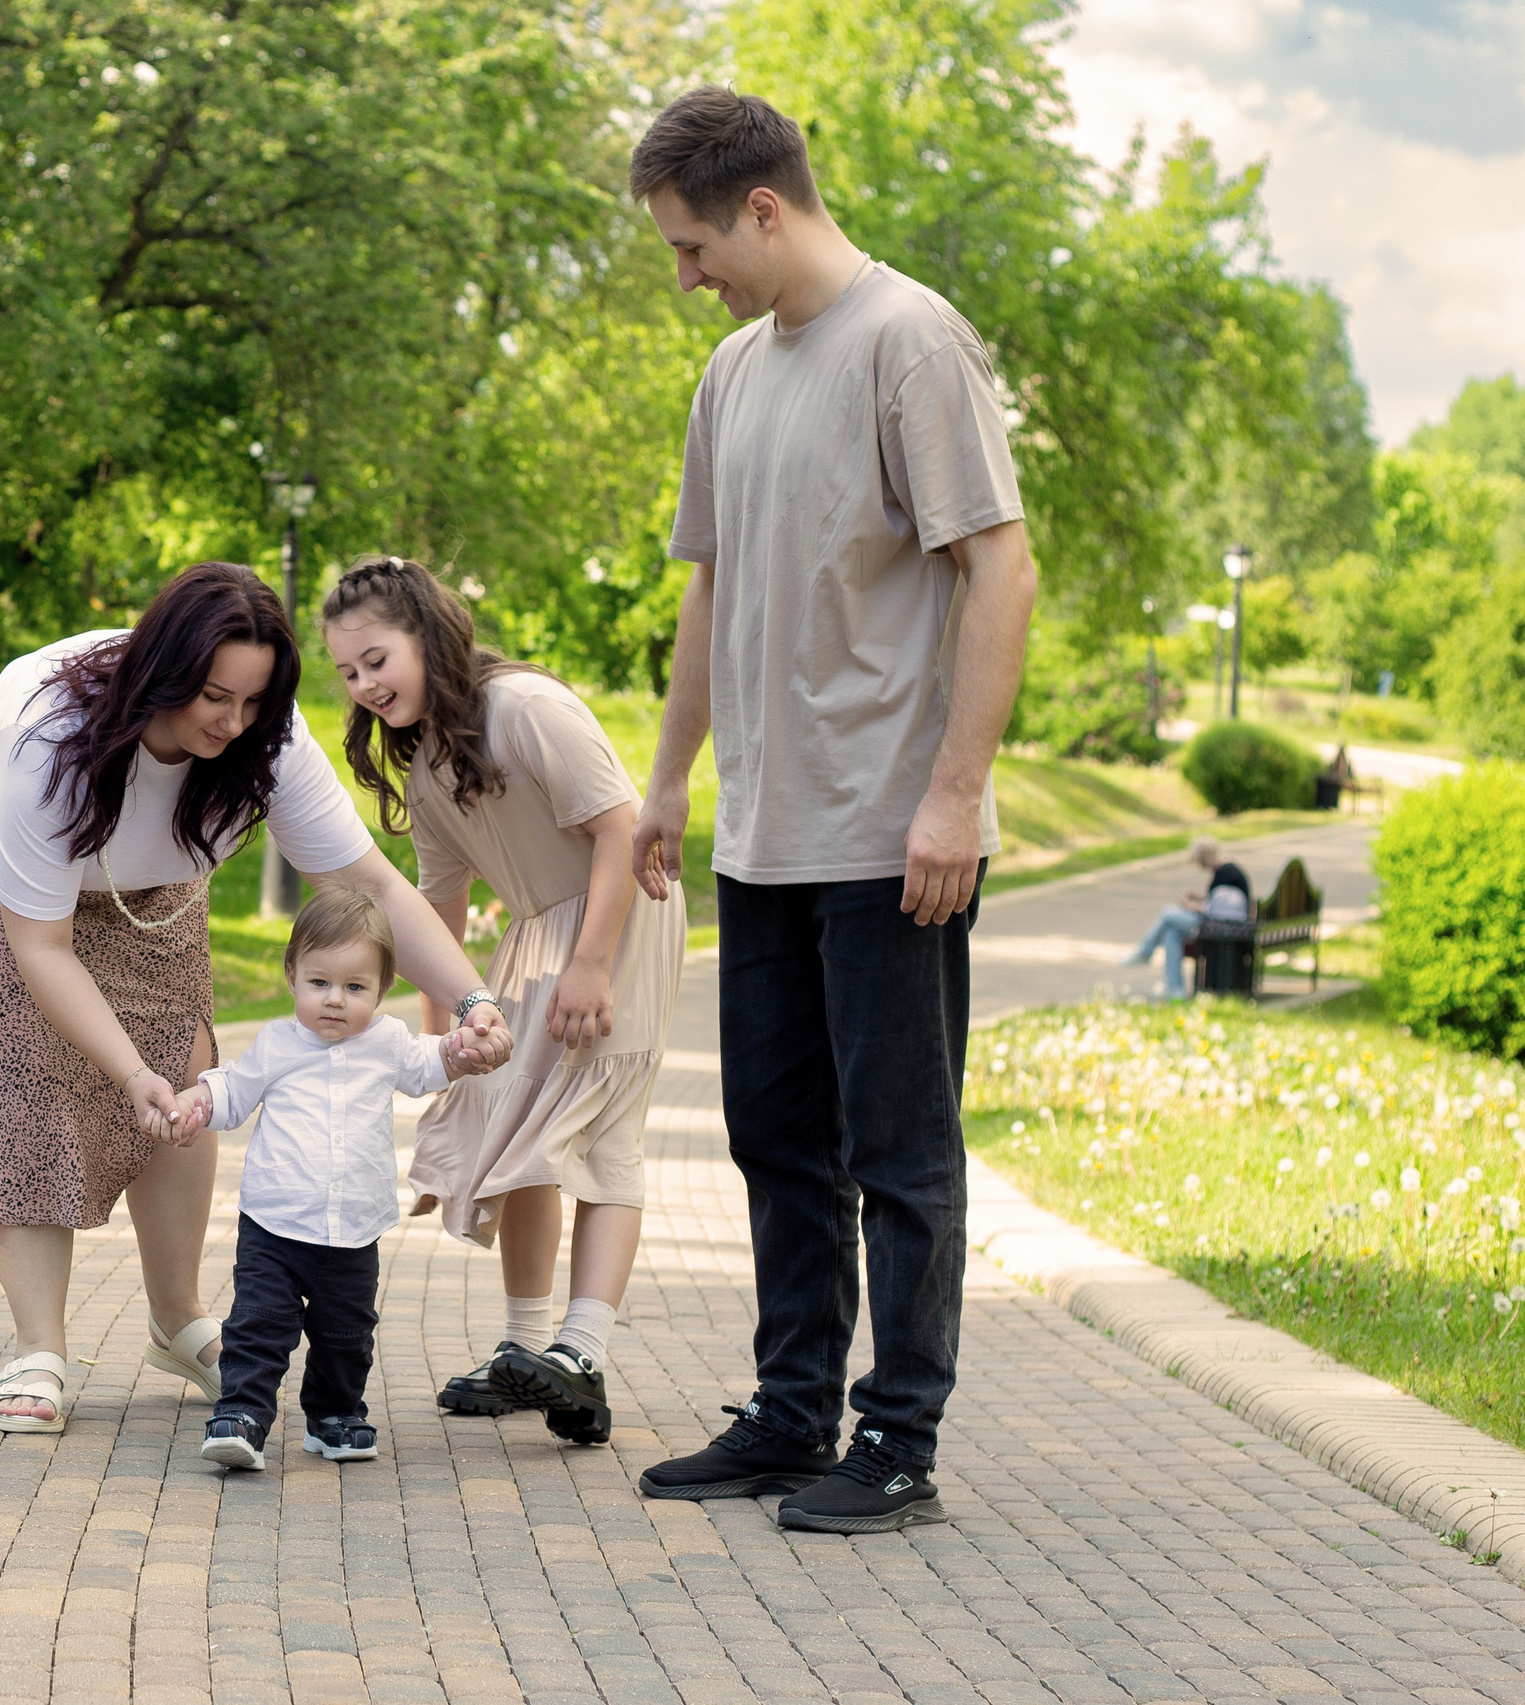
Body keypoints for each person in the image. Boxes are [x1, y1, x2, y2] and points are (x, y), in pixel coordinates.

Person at [0, 562, 512, 1435]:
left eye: (253, 701)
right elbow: (42, 946)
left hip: (151, 871)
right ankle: (40, 1345)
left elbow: (366, 878)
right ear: (164, 672)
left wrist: (474, 994)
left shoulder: (266, 739)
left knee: (186, 1061)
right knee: (24, 1065)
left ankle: (178, 1320)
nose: (232, 721)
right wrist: (123, 1069)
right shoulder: (51, 737)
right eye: (213, 696)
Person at [622, 88, 1037, 1533]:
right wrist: (670, 778)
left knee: (901, 1151)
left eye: (691, 248)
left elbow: (1001, 566)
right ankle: (794, 1416)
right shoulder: (735, 372)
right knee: (776, 1137)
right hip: (769, 836)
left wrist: (956, 792)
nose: (686, 278)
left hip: (892, 835)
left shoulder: (910, 343)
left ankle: (900, 1439)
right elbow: (711, 586)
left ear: (764, 209)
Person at [322, 556, 686, 1447]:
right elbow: (435, 905)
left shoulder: (527, 708)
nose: (366, 684)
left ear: (426, 634)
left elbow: (618, 828)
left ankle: (583, 1353)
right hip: (536, 932)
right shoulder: (426, 756)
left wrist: (593, 963)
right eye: (348, 672)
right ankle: (530, 1351)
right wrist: (446, 1046)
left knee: (598, 1132)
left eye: (377, 659)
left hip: (617, 916)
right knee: (515, 1126)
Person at [174, 889, 493, 1470]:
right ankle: (242, 1414)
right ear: (293, 974)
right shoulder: (276, 1044)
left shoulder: (388, 1043)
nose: (335, 1001)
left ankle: (334, 1416)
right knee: (259, 1326)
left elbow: (430, 1065)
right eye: (319, 983)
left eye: (355, 988)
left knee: (346, 1334)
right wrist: (198, 1101)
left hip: (353, 1228)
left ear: (383, 988)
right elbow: (234, 1092)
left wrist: (463, 1050)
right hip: (275, 1223)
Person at [1119, 837, 1251, 999]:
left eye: (1201, 862)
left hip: (1219, 927)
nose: (1202, 867)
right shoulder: (1229, 870)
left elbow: (1213, 909)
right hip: (1225, 924)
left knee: (1168, 914)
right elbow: (1220, 901)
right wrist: (1197, 897)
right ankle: (1175, 990)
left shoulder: (1224, 873)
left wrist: (1190, 905)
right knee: (1171, 933)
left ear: (1206, 857)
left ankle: (1145, 952)